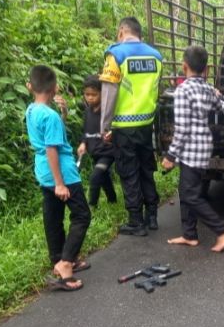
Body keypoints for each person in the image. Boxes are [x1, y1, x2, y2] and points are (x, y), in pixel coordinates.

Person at [162, 46, 224, 252]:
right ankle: (189, 234)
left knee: (191, 195)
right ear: (206, 69)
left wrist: (170, 155)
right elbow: (222, 107)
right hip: (202, 147)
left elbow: (182, 128)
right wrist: (217, 94)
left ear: (184, 66)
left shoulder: (183, 91)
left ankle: (222, 230)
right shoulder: (207, 89)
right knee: (186, 192)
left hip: (191, 150)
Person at [25, 65, 91, 291]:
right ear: (55, 87)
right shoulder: (49, 115)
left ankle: (58, 258)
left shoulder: (32, 110)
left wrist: (63, 114)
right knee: (82, 215)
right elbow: (52, 148)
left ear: (29, 87)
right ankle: (65, 264)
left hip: (43, 171)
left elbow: (50, 136)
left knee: (52, 214)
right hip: (61, 172)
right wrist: (60, 183)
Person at [100, 17, 162, 237]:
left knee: (129, 172)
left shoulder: (115, 55)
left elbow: (108, 94)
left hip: (124, 126)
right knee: (146, 169)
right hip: (146, 123)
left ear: (120, 33)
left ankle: (136, 221)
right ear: (139, 34)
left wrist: (104, 126)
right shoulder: (156, 56)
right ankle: (152, 216)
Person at [77, 75, 117, 207]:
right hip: (95, 152)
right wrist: (83, 143)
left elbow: (115, 129)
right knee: (104, 177)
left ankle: (92, 206)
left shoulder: (107, 112)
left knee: (95, 177)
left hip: (107, 152)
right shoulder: (87, 111)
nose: (90, 98)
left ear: (102, 93)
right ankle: (113, 200)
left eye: (93, 94)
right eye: (87, 94)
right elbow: (86, 132)